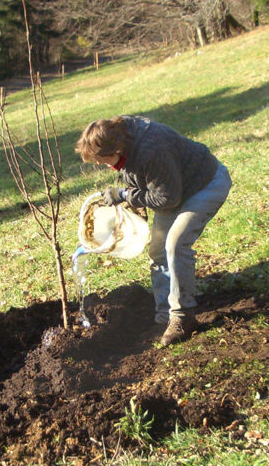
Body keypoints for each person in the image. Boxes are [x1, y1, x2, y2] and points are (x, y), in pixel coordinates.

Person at [75, 115, 232, 346]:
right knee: (158, 252)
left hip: (204, 184)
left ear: (116, 147)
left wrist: (126, 195)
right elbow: (142, 176)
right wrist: (133, 199)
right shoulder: (123, 138)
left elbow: (167, 198)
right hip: (173, 187)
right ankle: (164, 316)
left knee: (175, 244)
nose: (99, 164)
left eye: (102, 158)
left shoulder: (152, 149)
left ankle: (182, 318)